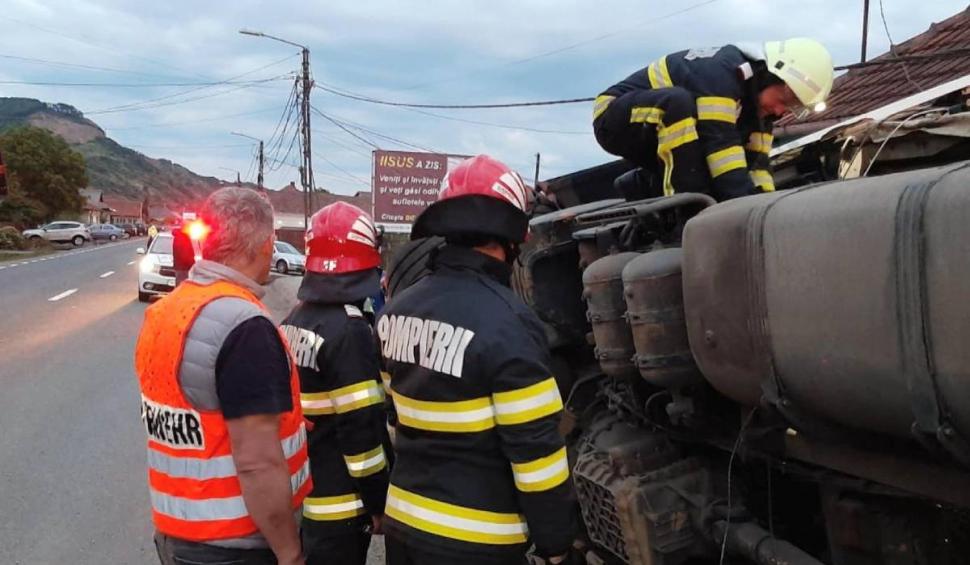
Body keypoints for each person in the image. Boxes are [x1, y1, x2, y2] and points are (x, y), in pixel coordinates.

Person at [376, 155, 580, 565]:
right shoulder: (511, 323)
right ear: (509, 236)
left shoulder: (394, 311)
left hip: (405, 527)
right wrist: (558, 545)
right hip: (479, 542)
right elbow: (537, 456)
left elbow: (396, 414)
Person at [134, 187, 311, 565]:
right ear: (267, 245)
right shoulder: (244, 325)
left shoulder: (168, 310)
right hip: (236, 545)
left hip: (177, 532)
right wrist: (289, 551)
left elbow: (197, 410)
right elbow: (257, 462)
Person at [280, 202, 391, 565]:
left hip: (300, 497)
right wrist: (378, 502)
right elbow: (362, 436)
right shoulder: (349, 330)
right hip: (338, 510)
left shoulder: (295, 318)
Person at [593, 38, 834, 201]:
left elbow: (758, 167)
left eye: (794, 108)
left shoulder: (757, 111)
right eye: (785, 100)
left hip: (656, 134)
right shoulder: (720, 74)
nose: (782, 111)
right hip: (613, 118)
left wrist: (766, 208)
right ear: (772, 76)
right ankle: (686, 208)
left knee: (702, 150)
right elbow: (722, 150)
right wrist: (740, 210)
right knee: (676, 103)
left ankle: (648, 184)